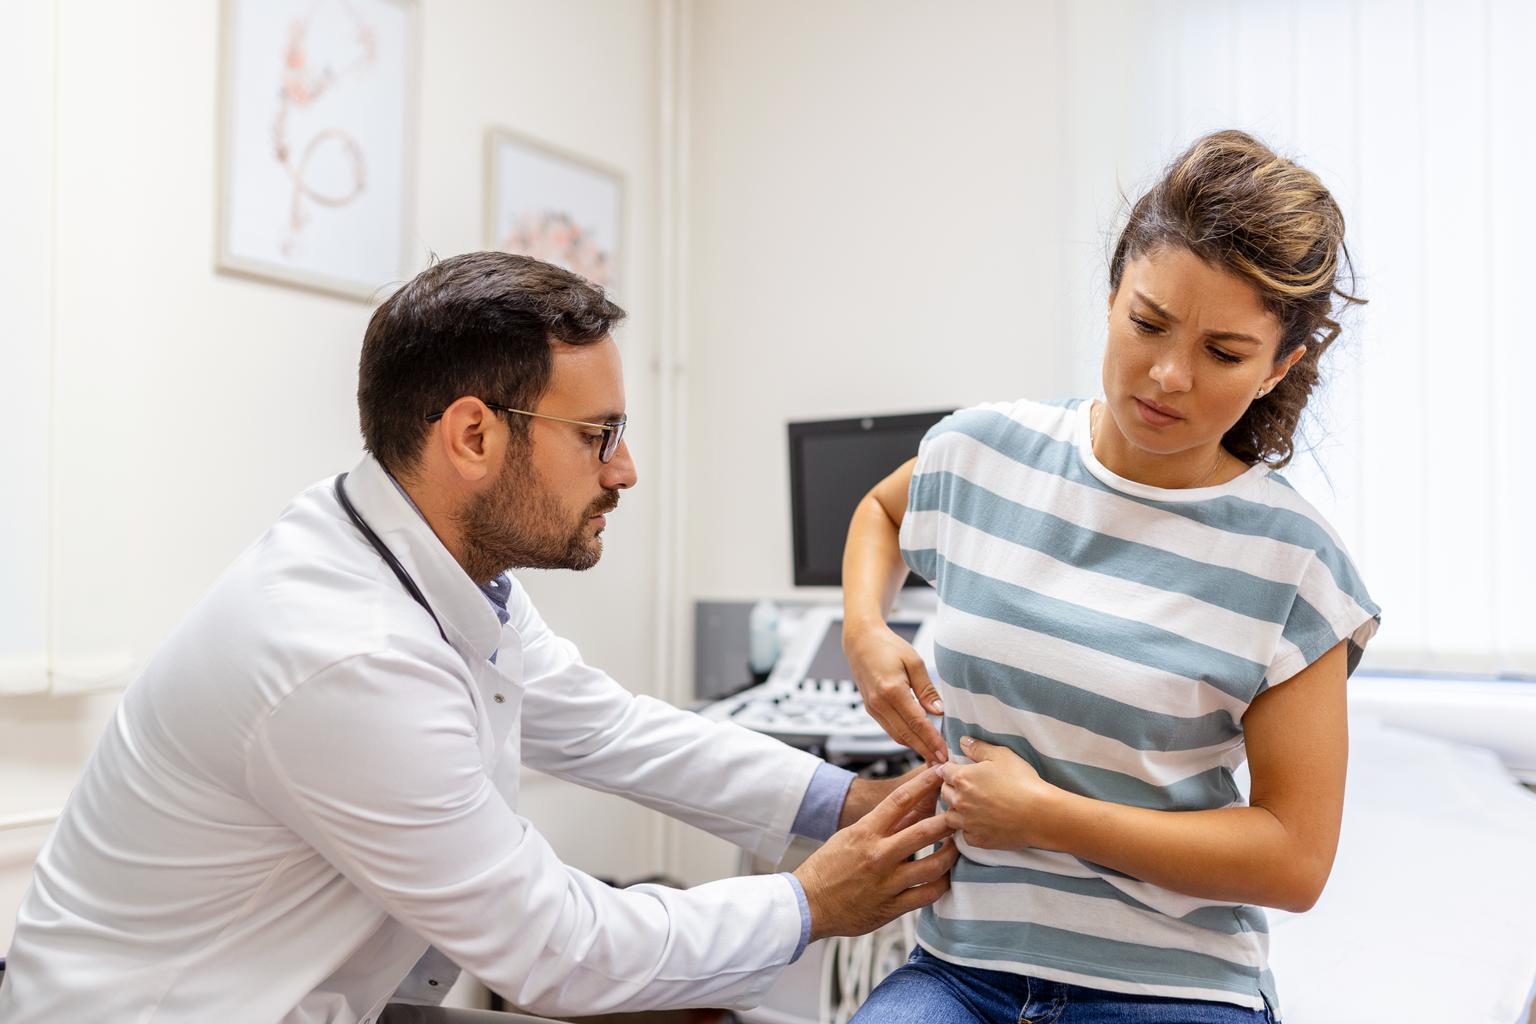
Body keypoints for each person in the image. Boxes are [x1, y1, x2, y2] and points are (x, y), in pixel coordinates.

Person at [0, 253, 958, 1023]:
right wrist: (812, 903)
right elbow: (554, 950)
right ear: (472, 437)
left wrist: (847, 803)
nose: (626, 470)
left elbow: (607, 728)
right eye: (600, 433)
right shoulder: (346, 653)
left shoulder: (424, 563)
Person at [840, 131, 1380, 1023]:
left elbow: (1294, 860)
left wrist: (1047, 817)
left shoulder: (1296, 563)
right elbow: (884, 512)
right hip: (960, 969)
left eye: (1225, 352)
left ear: (1279, 366)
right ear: (1110, 298)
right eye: (1149, 323)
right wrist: (867, 629)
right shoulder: (983, 451)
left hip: (1173, 987)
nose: (1169, 376)